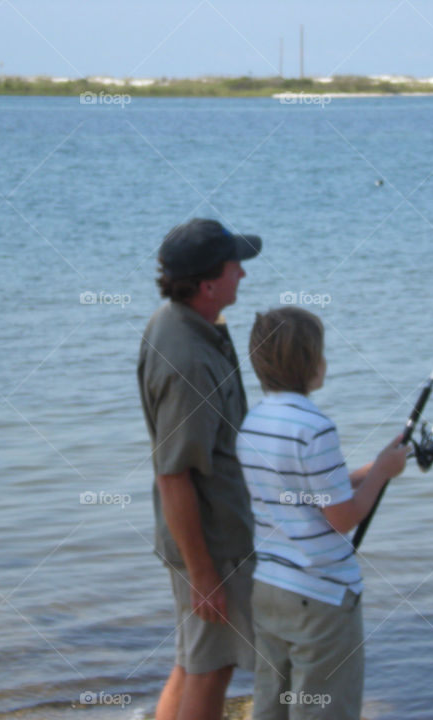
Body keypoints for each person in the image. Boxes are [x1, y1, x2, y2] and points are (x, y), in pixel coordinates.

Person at [236, 307, 409, 720]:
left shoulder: (252, 422)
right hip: (321, 595)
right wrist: (383, 475)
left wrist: (371, 469)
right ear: (311, 364)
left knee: (271, 704)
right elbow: (343, 518)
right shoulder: (316, 427)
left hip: (268, 588)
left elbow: (296, 488)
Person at [137, 218, 262, 720]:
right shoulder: (187, 360)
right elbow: (174, 474)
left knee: (195, 661)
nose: (244, 277)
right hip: (210, 542)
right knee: (213, 667)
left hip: (206, 534)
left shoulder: (181, 321)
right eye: (236, 268)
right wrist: (203, 572)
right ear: (208, 283)